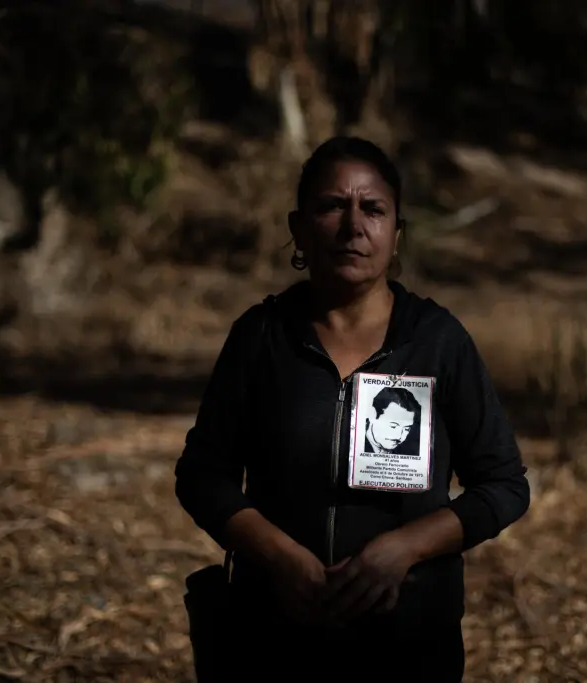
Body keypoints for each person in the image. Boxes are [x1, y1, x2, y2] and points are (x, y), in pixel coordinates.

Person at [175, 136, 530, 682]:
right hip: (271, 638)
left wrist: (404, 549)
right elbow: (202, 476)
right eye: (331, 206)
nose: (353, 225)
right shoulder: (262, 337)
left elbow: (504, 485)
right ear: (298, 228)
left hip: (410, 643)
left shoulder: (438, 342)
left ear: (396, 233)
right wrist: (279, 557)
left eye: (373, 209)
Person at [364, 386, 421, 455]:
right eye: (393, 426)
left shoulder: (411, 448)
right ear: (372, 415)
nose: (399, 436)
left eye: (407, 429)